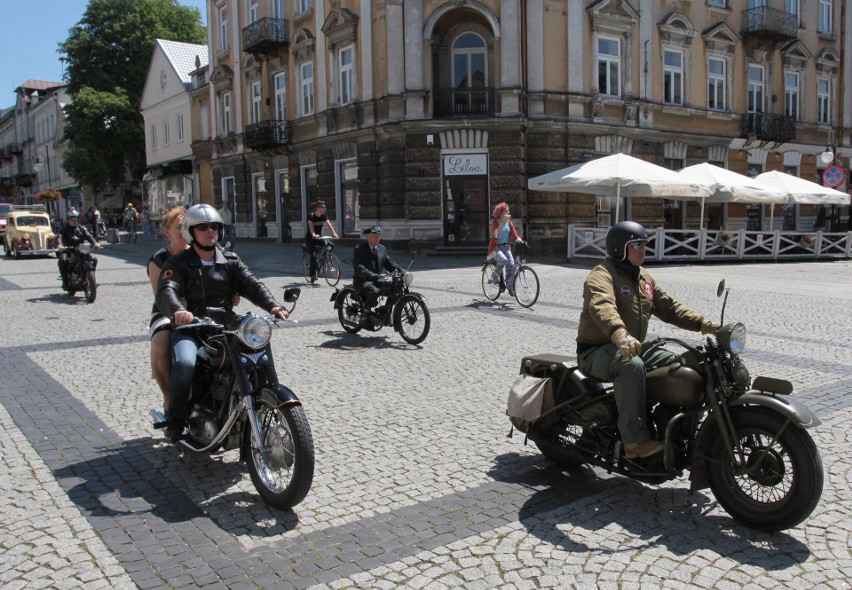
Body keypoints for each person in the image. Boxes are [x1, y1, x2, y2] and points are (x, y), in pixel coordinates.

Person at [575, 221, 719, 459]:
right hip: (596, 351)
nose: (643, 249)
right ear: (620, 248)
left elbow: (670, 308)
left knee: (679, 365)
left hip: (631, 345)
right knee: (631, 366)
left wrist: (704, 324)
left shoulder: (644, 278)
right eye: (637, 245)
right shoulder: (601, 275)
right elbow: (603, 306)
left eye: (645, 244)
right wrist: (619, 333)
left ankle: (667, 423)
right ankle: (635, 442)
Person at [156, 204, 290, 441]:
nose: (210, 231)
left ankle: (261, 404)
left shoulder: (230, 260)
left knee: (256, 354)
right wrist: (178, 310)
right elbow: (167, 290)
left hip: (226, 326)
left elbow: (251, 283)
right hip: (192, 329)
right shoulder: (178, 264)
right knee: (186, 363)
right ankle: (176, 420)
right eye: (203, 227)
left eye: (215, 226)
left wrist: (273, 305)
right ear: (191, 231)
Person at [147, 206, 188, 414]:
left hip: (199, 309)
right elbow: (161, 295)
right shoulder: (159, 260)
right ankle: (169, 396)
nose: (185, 230)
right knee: (161, 345)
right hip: (165, 312)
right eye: (180, 226)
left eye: (189, 225)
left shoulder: (200, 252)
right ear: (167, 232)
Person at [352, 226, 402, 325]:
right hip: (362, 280)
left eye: (379, 235)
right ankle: (366, 314)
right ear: (367, 236)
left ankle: (385, 312)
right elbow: (359, 267)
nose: (377, 237)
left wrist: (401, 271)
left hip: (377, 279)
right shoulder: (359, 249)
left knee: (395, 288)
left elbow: (389, 263)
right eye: (374, 235)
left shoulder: (382, 248)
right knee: (374, 291)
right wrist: (371, 275)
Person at [57, 209, 102, 290]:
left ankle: (91, 278)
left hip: (81, 249)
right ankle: (65, 282)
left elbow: (88, 236)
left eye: (75, 219)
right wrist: (60, 245)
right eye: (72, 219)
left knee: (93, 259)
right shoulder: (64, 228)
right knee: (63, 260)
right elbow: (59, 236)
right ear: (68, 219)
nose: (74, 221)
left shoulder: (82, 228)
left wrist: (95, 243)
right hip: (68, 250)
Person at [487, 202, 523, 297]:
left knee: (511, 264)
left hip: (506, 248)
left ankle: (510, 287)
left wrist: (521, 241)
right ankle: (494, 277)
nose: (509, 212)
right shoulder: (495, 222)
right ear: (501, 212)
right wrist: (503, 222)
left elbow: (515, 235)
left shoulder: (509, 223)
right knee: (503, 259)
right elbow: (496, 236)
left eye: (509, 211)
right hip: (496, 248)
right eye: (506, 211)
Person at [305, 200, 339, 283]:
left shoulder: (323, 215)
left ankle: (325, 257)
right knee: (313, 256)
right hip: (310, 239)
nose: (325, 208)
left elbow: (329, 225)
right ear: (318, 208)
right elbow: (311, 227)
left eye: (325, 207)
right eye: (323, 207)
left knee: (331, 245)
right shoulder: (311, 215)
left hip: (319, 238)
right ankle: (313, 274)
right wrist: (313, 235)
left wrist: (334, 234)